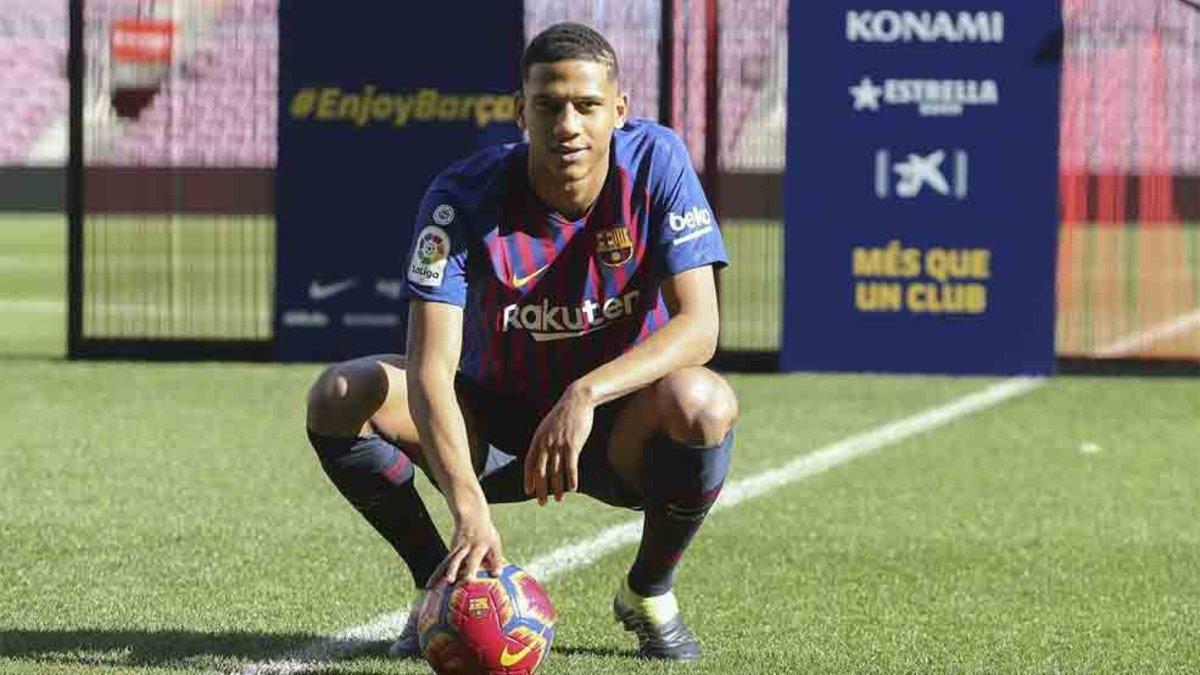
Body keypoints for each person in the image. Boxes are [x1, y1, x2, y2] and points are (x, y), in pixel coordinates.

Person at [304, 21, 738, 661]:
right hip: (491, 435)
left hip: (615, 430)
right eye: (548, 105)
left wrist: (585, 395)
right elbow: (430, 369)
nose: (568, 125)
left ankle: (648, 589)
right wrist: (467, 505)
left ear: (618, 111)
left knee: (705, 403)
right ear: (520, 113)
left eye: (587, 106)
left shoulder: (657, 163)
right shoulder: (460, 197)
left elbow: (700, 326)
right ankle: (440, 585)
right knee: (340, 394)